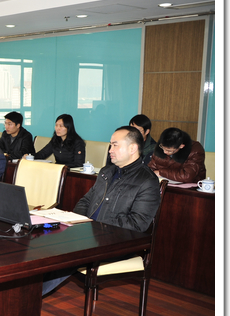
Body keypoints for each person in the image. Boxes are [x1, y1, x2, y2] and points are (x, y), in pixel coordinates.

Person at [42, 126, 161, 296]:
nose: (110, 150)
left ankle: (30, 298)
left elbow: (138, 224)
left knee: (66, 252)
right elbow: (86, 201)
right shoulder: (107, 172)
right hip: (89, 235)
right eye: (110, 145)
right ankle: (27, 294)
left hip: (117, 242)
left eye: (115, 145)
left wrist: (96, 226)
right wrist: (80, 222)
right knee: (46, 241)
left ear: (133, 148)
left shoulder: (147, 181)